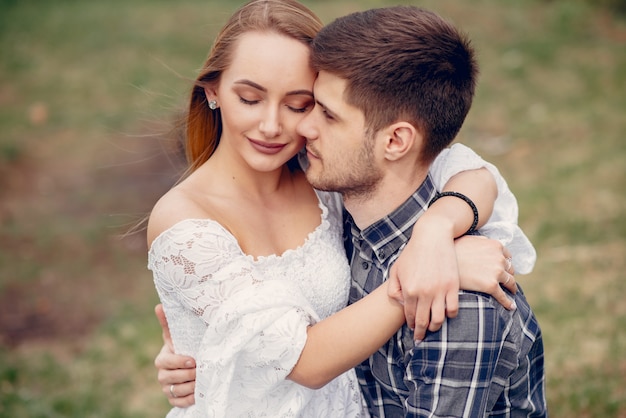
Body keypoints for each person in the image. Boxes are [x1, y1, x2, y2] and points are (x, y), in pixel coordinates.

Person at [148, 1, 532, 416]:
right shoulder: (185, 223)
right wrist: (425, 274)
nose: (273, 126)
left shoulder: (322, 176)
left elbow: (466, 167)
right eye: (249, 98)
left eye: (301, 105)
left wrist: (435, 231)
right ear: (213, 91)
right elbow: (303, 360)